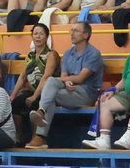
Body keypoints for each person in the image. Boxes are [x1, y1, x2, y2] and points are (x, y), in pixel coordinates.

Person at [25, 20, 103, 148]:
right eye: (71, 30)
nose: (72, 33)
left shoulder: (93, 53)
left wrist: (66, 80)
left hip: (87, 93)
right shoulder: (67, 53)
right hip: (69, 91)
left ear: (86, 35)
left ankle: (40, 137)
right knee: (51, 82)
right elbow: (63, 77)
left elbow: (80, 78)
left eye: (76, 31)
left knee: (50, 94)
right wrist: (66, 82)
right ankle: (41, 112)